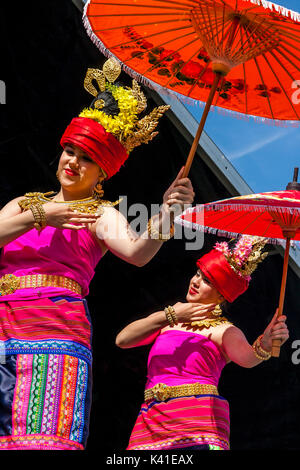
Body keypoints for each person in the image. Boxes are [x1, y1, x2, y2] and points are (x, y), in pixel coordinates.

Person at [0, 58, 195, 450]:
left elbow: (138, 253)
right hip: (2, 324)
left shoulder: (99, 213)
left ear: (103, 170)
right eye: (70, 151)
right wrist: (44, 214)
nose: (73, 161)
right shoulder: (24, 202)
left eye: (86, 157)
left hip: (54, 333)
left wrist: (168, 211)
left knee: (38, 438)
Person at [116, 236, 289, 451]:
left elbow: (247, 358)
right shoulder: (169, 320)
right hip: (152, 419)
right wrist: (169, 315)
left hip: (196, 423)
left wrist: (266, 341)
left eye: (208, 281)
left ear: (221, 294)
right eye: (198, 274)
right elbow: (122, 340)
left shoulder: (223, 330)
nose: (195, 281)